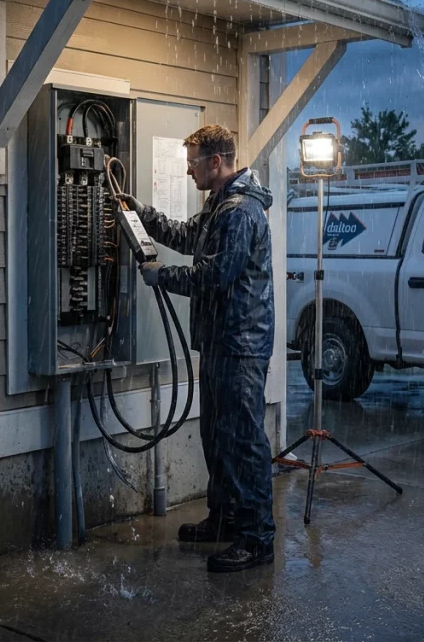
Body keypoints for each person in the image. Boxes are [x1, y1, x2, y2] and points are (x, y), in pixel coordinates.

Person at [121, 124, 276, 573]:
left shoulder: (241, 211)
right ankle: (226, 519)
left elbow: (215, 275)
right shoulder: (218, 206)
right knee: (217, 437)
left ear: (215, 162)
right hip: (221, 342)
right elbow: (188, 237)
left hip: (241, 347)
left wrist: (161, 276)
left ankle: (256, 537)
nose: (187, 171)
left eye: (192, 162)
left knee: (244, 441)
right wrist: (142, 214)